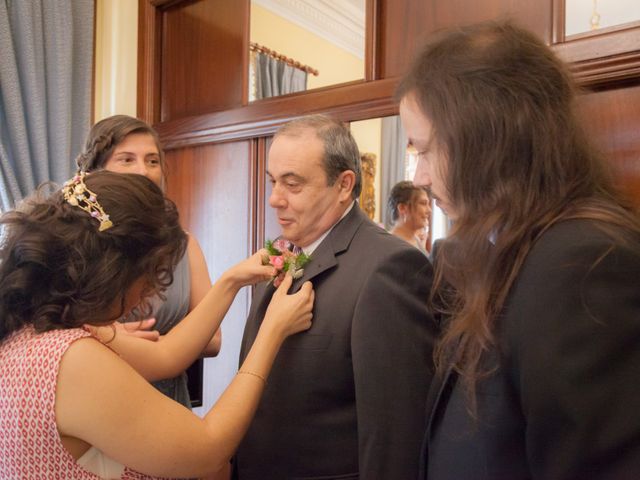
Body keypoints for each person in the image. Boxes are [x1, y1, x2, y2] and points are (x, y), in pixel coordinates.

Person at [397, 21, 640, 479]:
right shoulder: (503, 250)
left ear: (488, 139)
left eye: (427, 150)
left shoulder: (581, 266)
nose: (420, 178)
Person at [0, 170, 314, 479]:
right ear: (116, 271)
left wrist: (231, 281)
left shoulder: (33, 327)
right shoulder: (72, 358)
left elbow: (166, 355)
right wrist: (272, 330)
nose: (149, 292)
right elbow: (209, 448)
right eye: (150, 275)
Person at [234, 115, 437, 480]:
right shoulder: (283, 252)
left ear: (344, 185)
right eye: (273, 182)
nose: (274, 199)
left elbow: (395, 434)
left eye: (292, 184)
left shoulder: (389, 268)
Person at [76, 114, 216, 408]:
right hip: (97, 400)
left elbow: (213, 339)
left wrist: (149, 351)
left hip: (168, 401)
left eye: (152, 161)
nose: (144, 171)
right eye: (127, 159)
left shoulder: (184, 244)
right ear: (95, 171)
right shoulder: (75, 243)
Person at [388, 180, 431, 254]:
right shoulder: (390, 245)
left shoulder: (415, 239)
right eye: (423, 203)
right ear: (402, 208)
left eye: (428, 204)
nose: (429, 210)